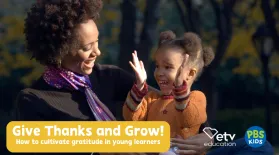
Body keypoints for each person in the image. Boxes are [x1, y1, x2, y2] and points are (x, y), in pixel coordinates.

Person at [13, 0, 273, 155]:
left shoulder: (108, 76)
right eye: (86, 47)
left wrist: (206, 136)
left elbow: (167, 106)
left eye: (98, 42)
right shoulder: (35, 100)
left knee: (259, 145)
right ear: (60, 51)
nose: (98, 52)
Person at [122, 31, 214, 155]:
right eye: (157, 66)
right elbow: (131, 118)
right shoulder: (151, 98)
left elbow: (189, 119)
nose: (159, 72)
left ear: (190, 74)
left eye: (167, 67)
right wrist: (139, 86)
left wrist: (180, 90)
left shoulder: (196, 97)